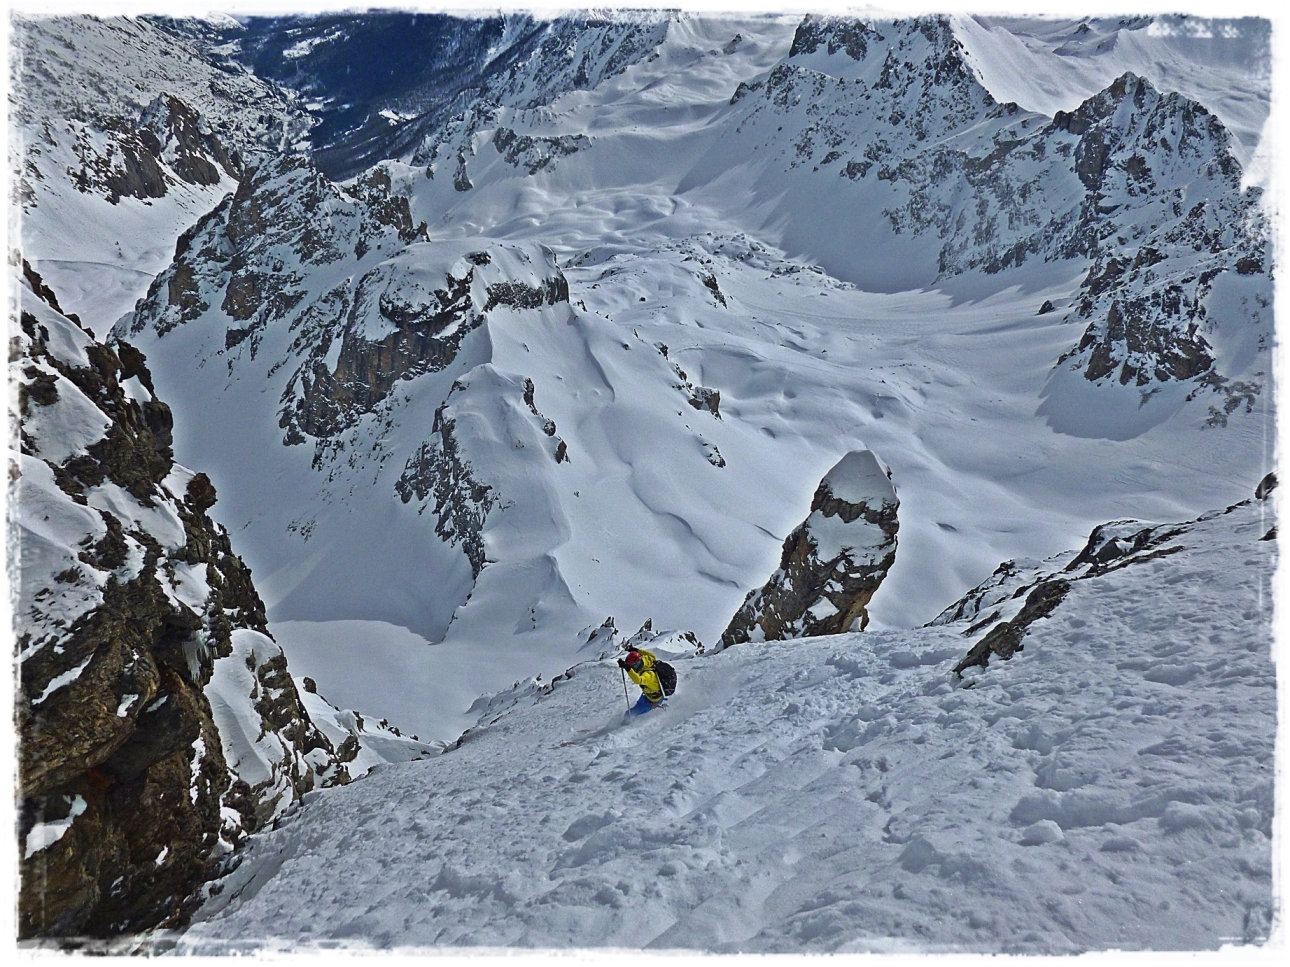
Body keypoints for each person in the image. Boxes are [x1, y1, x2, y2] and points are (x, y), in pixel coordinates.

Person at [618, 648, 665, 714]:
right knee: (639, 703)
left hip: (654, 700)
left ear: (637, 663)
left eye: (633, 666)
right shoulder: (649, 659)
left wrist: (627, 668)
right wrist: (636, 650)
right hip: (648, 694)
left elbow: (638, 680)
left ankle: (630, 721)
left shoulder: (648, 675)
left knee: (628, 714)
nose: (633, 669)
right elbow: (651, 655)